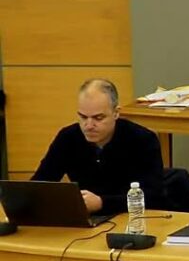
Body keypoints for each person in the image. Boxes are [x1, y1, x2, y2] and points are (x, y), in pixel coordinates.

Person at [32, 79, 164, 216]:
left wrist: (102, 203)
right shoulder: (67, 137)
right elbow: (39, 185)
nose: (89, 125)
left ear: (116, 113)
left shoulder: (143, 139)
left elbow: (154, 197)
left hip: (132, 217)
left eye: (98, 118)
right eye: (83, 117)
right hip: (87, 220)